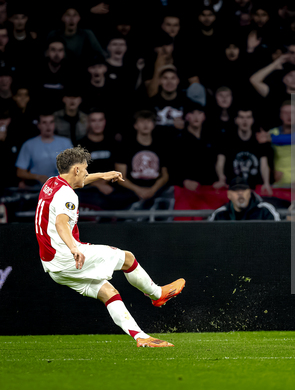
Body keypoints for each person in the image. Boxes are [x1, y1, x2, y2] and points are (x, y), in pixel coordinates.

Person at [34, 146, 184, 347]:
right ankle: (157, 294)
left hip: (52, 266)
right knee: (127, 258)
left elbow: (81, 181)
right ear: (76, 169)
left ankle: (142, 338)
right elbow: (61, 223)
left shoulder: (51, 183)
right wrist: (73, 247)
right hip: (67, 255)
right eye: (85, 168)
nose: (87, 172)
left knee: (108, 292)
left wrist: (102, 175)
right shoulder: (67, 195)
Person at [114, 110, 169, 204]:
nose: (145, 124)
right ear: (135, 125)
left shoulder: (161, 147)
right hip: (131, 192)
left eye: (149, 121)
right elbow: (120, 177)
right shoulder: (125, 147)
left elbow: (165, 176)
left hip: (156, 191)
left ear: (154, 125)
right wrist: (138, 190)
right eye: (142, 121)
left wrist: (153, 190)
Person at [217, 107, 273, 195]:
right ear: (236, 120)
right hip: (233, 187)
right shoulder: (227, 139)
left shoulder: (259, 139)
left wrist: (266, 183)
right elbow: (220, 162)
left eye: (248, 117)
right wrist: (221, 177)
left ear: (252, 120)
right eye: (242, 117)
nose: (245, 121)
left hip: (254, 188)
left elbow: (264, 165)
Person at [15, 112, 72, 187]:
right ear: (39, 125)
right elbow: (20, 172)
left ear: (54, 124)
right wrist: (38, 177)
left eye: (51, 122)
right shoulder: (29, 144)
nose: (48, 126)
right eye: (44, 122)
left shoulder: (66, 143)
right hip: (37, 188)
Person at [208, 176, 280, 221]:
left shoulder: (265, 211)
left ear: (249, 193)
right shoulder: (220, 214)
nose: (240, 193)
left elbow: (277, 234)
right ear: (229, 195)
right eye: (235, 190)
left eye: (243, 189)